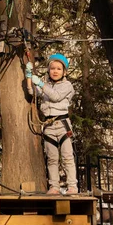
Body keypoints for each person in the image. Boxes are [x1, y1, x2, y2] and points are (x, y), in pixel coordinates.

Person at [26, 53, 77, 195]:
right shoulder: (46, 85)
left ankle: (72, 186)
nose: (55, 71)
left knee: (67, 156)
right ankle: (54, 186)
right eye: (52, 68)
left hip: (62, 124)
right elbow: (32, 92)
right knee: (52, 158)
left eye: (58, 69)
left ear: (64, 72)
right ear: (48, 70)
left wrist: (40, 83)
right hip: (48, 125)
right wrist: (29, 76)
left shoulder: (67, 86)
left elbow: (55, 97)